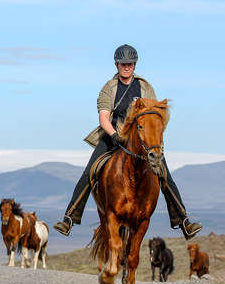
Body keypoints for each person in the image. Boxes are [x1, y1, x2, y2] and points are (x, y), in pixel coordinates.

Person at [53, 44, 201, 239]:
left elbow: (154, 116)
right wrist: (114, 134)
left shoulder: (145, 87)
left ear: (134, 65)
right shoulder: (110, 87)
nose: (126, 67)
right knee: (90, 171)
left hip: (140, 140)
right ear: (116, 64)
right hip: (113, 135)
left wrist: (152, 138)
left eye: (130, 64)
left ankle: (183, 220)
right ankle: (70, 218)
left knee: (164, 174)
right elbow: (104, 117)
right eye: (123, 64)